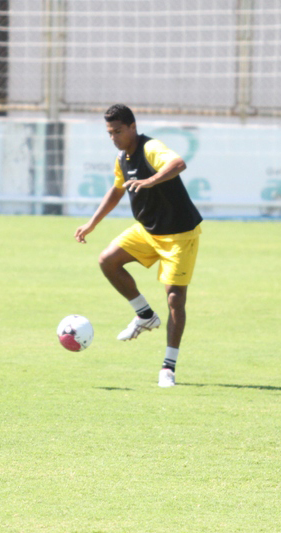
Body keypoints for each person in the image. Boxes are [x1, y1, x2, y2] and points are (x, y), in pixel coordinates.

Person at [74, 104, 203, 388]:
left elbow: (178, 164)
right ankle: (145, 315)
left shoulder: (151, 147)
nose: (114, 137)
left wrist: (151, 180)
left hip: (179, 235)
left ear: (133, 127)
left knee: (174, 300)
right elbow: (117, 189)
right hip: (147, 231)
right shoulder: (121, 157)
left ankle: (168, 367)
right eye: (109, 133)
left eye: (118, 131)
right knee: (107, 260)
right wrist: (92, 223)